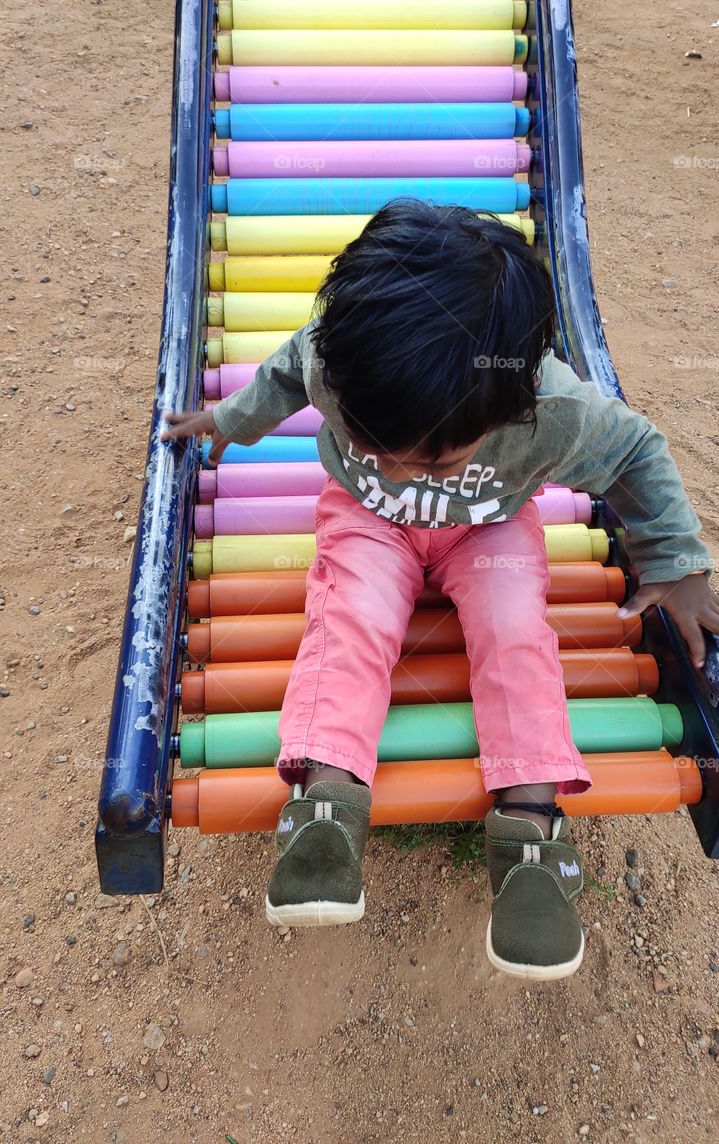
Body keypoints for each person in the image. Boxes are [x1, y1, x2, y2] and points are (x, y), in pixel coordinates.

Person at [162, 200, 718, 980]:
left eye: (430, 463)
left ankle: (528, 832)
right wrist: (235, 418)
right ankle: (326, 802)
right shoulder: (335, 361)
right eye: (372, 443)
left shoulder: (546, 409)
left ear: (510, 404)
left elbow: (634, 453)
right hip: (367, 522)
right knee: (349, 613)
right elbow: (290, 366)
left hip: (488, 528)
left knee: (515, 630)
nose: (397, 468)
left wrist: (678, 564)